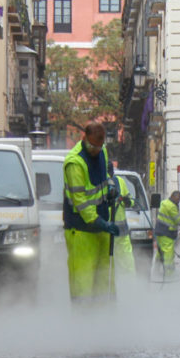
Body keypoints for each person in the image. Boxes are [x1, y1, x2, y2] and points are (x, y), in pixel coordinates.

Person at [62, 122, 120, 304]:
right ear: (84, 139)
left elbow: (106, 173)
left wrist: (111, 186)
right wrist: (101, 223)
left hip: (100, 225)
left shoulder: (102, 151)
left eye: (99, 146)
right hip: (80, 230)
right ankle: (82, 322)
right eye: (92, 146)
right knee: (83, 281)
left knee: (104, 279)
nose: (96, 150)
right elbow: (81, 202)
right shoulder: (75, 163)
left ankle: (104, 318)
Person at [154, 190, 180, 278]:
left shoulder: (164, 202)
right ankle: (169, 274)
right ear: (174, 197)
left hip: (159, 232)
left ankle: (155, 271)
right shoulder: (171, 207)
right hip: (167, 233)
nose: (179, 201)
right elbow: (178, 220)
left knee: (160, 252)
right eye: (178, 199)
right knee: (169, 255)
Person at [111, 171, 136, 276]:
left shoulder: (120, 182)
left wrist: (127, 201)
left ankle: (129, 286)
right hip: (106, 232)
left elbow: (131, 201)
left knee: (126, 263)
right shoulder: (96, 181)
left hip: (120, 232)